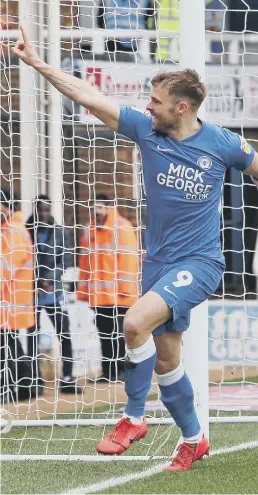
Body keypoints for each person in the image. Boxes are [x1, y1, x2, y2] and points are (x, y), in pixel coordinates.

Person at [12, 26, 258, 471]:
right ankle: (193, 438)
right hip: (158, 263)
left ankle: (132, 417)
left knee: (133, 323)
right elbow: (90, 96)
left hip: (200, 263)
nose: (148, 106)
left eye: (157, 101)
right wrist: (38, 63)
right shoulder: (148, 131)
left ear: (181, 108)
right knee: (167, 362)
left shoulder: (222, 144)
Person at [77, 194, 138, 382]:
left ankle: (121, 371)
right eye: (96, 207)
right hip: (100, 296)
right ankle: (109, 372)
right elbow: (84, 262)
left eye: (102, 207)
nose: (98, 211)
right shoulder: (90, 230)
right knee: (104, 334)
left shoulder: (122, 227)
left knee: (117, 335)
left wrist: (124, 289)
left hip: (119, 296)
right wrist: (84, 291)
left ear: (109, 207)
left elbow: (128, 261)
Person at [26, 195, 82, 395]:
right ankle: (34, 380)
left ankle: (67, 379)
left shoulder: (60, 231)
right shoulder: (25, 229)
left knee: (64, 332)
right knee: (32, 336)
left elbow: (65, 260)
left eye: (46, 210)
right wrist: (36, 281)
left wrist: (48, 280)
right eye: (39, 210)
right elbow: (22, 259)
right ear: (35, 210)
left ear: (50, 210)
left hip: (52, 291)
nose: (43, 214)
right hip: (30, 291)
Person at [0, 189, 36, 402]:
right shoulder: (11, 229)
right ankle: (25, 387)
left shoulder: (13, 232)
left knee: (7, 348)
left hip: (10, 302)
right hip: (11, 301)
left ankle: (12, 388)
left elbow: (4, 269)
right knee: (11, 345)